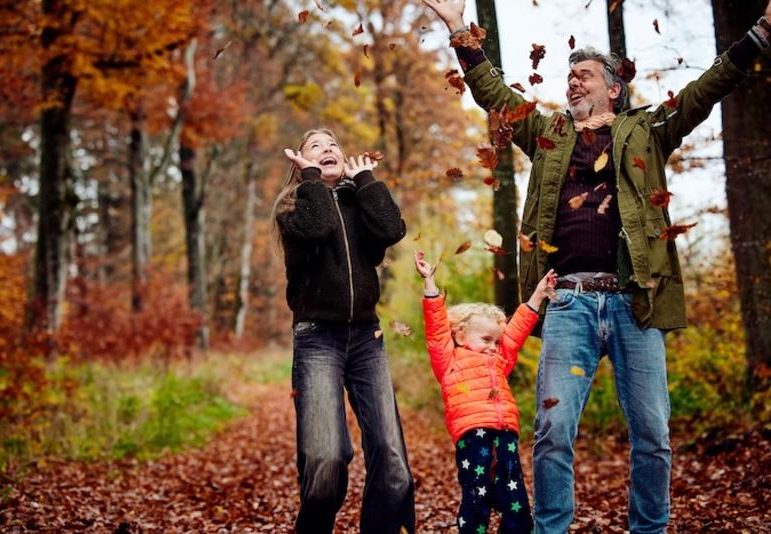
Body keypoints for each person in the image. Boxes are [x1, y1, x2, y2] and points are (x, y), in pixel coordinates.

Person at [422, 0, 771, 532]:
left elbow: (706, 89)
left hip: (635, 301)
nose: (573, 83)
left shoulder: (648, 130)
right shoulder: (549, 135)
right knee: (553, 429)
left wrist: (760, 33)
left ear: (614, 87)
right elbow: (493, 95)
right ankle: (552, 529)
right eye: (568, 77)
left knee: (653, 434)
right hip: (568, 302)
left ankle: (648, 529)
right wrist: (458, 30)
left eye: (584, 75)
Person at [273, 128, 415, 534]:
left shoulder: (358, 201)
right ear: (300, 162)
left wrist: (367, 182)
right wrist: (313, 181)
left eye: (333, 144)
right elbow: (315, 229)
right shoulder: (293, 208)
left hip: (367, 339)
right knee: (326, 459)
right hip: (318, 339)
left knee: (393, 466)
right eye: (316, 146)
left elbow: (391, 230)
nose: (328, 149)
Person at [414, 249, 556, 533]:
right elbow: (436, 330)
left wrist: (538, 295)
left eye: (496, 340)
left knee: (515, 502)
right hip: (474, 436)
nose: (494, 345)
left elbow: (516, 330)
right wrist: (430, 284)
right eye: (486, 339)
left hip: (505, 436)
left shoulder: (500, 359)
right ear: (461, 335)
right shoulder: (449, 360)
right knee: (476, 499)